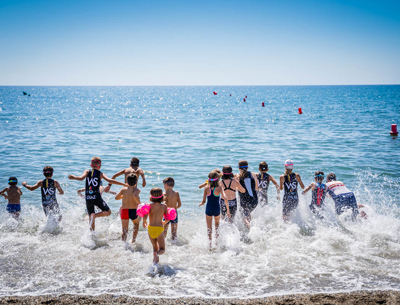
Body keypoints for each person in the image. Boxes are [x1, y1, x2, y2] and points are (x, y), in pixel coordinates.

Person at [68, 157, 127, 231]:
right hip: (97, 198)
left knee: (91, 218)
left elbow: (81, 178)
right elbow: (110, 180)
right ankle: (95, 215)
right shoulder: (100, 174)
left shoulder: (86, 171)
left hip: (88, 198)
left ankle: (91, 234)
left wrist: (73, 177)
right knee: (108, 212)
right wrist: (123, 184)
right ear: (100, 166)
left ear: (91, 165)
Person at [199, 171, 227, 249]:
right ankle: (217, 243)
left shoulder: (206, 188)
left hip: (208, 209)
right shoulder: (220, 188)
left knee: (209, 227)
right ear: (218, 179)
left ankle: (210, 244)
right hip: (217, 209)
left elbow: (204, 201)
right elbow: (224, 197)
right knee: (217, 226)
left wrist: (201, 203)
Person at [142, 187, 168, 264]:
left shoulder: (149, 206)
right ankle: (157, 255)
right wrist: (163, 222)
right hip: (159, 229)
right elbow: (167, 218)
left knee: (154, 247)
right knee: (162, 249)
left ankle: (155, 263)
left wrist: (144, 222)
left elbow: (145, 216)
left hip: (150, 228)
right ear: (162, 196)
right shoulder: (164, 206)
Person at [115, 174, 141, 243]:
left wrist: (123, 196)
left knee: (124, 229)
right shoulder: (137, 189)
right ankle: (133, 240)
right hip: (133, 210)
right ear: (136, 182)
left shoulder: (123, 189)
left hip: (124, 210)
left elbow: (116, 197)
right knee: (136, 224)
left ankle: (123, 242)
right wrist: (140, 204)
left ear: (126, 182)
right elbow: (135, 196)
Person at [236, 160, 259, 229]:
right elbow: (256, 188)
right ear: (247, 167)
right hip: (254, 200)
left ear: (239, 168)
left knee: (244, 217)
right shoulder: (253, 174)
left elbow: (237, 188)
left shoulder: (237, 176)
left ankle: (251, 229)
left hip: (244, 200)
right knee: (248, 213)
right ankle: (249, 227)